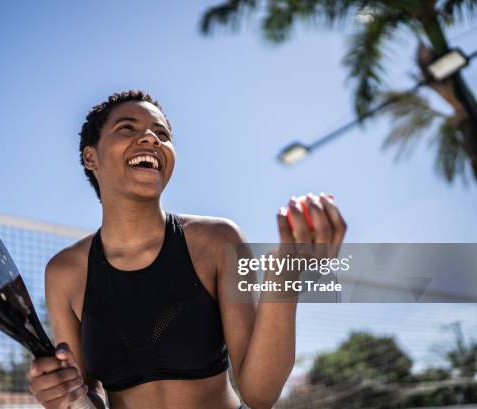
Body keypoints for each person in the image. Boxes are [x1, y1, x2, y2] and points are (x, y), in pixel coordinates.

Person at [26, 90, 347, 409]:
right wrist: (62, 396)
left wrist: (283, 278)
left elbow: (259, 393)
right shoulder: (65, 272)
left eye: (161, 133)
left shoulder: (217, 240)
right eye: (127, 128)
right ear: (91, 157)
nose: (151, 137)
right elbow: (85, 398)